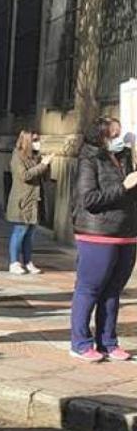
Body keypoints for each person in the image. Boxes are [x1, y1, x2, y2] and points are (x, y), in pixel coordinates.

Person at [69, 117, 137, 362]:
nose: (119, 139)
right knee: (90, 289)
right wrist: (124, 186)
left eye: (121, 134)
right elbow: (89, 199)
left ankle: (108, 341)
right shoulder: (89, 159)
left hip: (126, 233)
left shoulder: (124, 157)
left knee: (113, 291)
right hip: (97, 233)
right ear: (101, 136)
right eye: (114, 135)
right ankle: (80, 342)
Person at [7, 129, 55, 274]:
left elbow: (44, 178)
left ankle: (28, 262)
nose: (37, 143)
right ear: (27, 141)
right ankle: (14, 262)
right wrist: (42, 166)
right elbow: (24, 176)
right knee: (20, 231)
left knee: (30, 234)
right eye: (34, 140)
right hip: (22, 200)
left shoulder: (36, 157)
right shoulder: (18, 156)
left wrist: (46, 165)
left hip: (35, 200)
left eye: (38, 140)